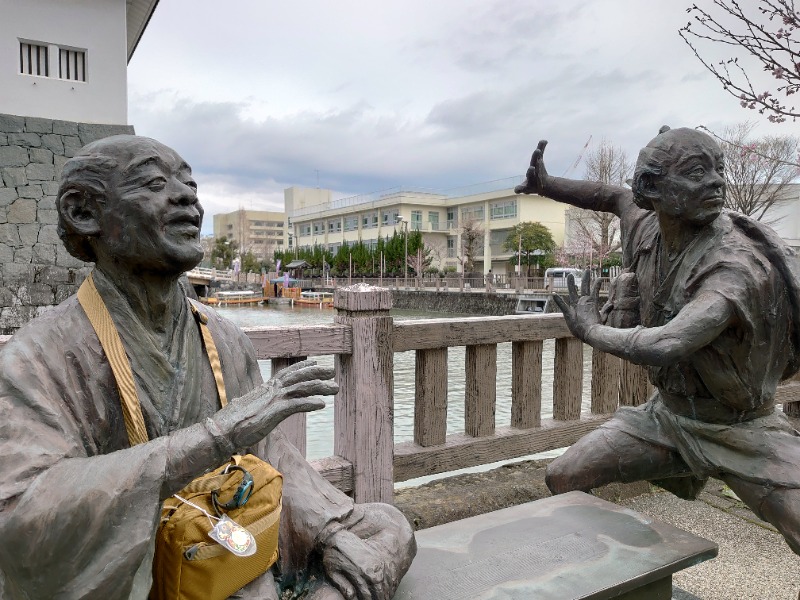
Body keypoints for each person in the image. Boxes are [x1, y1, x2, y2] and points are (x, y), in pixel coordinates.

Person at [0, 135, 415, 599]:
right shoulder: (36, 357)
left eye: (190, 183)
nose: (186, 197)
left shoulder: (224, 337)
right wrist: (216, 436)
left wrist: (330, 535)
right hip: (148, 560)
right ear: (84, 213)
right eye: (156, 183)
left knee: (388, 526)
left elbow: (269, 459)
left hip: (228, 527)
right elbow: (25, 513)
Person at [515, 127, 800, 555]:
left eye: (718, 171)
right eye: (696, 172)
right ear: (653, 188)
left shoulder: (735, 266)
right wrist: (549, 185)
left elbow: (669, 343)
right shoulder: (648, 229)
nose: (717, 182)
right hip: (666, 417)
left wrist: (591, 329)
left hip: (743, 429)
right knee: (565, 475)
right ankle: (605, 578)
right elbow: (611, 197)